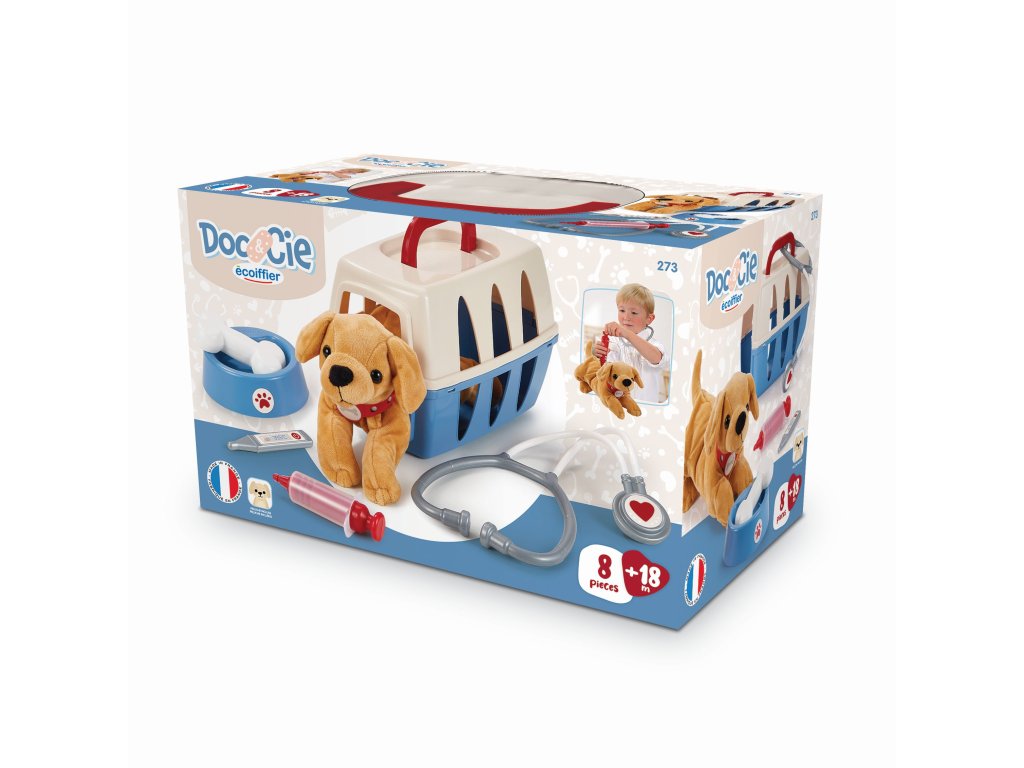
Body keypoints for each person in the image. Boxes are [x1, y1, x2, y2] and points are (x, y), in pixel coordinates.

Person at [592, 283, 668, 403]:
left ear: (649, 319)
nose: (626, 317)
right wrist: (597, 353)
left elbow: (657, 358)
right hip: (619, 403)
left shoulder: (654, 345)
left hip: (646, 404)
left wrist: (627, 333)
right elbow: (605, 369)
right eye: (622, 310)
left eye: (634, 313)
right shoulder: (614, 342)